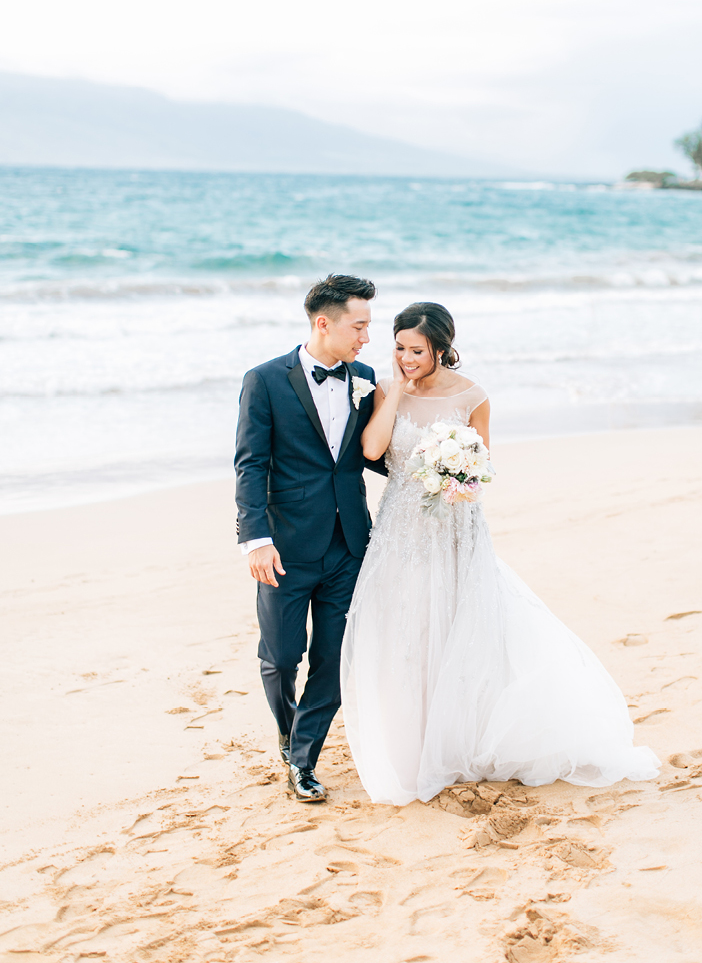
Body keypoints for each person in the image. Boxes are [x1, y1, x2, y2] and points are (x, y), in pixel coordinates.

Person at [341, 301, 660, 805]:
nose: (405, 357)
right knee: (405, 630)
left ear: (441, 349)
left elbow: (480, 468)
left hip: (454, 528)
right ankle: (413, 741)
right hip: (399, 530)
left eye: (416, 350)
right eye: (399, 348)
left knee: (455, 628)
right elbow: (373, 451)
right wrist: (397, 391)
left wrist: (455, 478)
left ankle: (458, 739)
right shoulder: (390, 389)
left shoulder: (473, 396)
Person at [234, 274, 385, 802]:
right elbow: (250, 464)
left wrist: (442, 466)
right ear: (324, 323)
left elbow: (376, 453)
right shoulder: (265, 380)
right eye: (359, 326)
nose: (367, 338)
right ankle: (287, 726)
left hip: (349, 543)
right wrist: (255, 539)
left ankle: (303, 758)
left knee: (335, 657)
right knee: (280, 657)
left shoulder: (365, 378)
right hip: (286, 547)